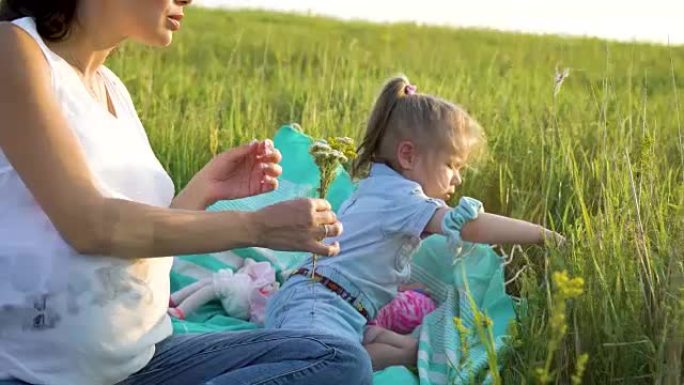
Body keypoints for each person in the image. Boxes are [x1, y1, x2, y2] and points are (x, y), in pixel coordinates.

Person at [0, 1, 372, 384]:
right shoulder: (15, 49)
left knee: (338, 360)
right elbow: (89, 226)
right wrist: (255, 227)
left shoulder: (112, 89)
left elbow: (134, 245)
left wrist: (203, 191)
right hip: (41, 377)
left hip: (145, 361)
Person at [265, 75, 565, 371]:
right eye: (451, 165)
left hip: (314, 300)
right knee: (331, 368)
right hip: (322, 307)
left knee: (377, 346)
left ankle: (409, 352)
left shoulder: (375, 184)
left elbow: (361, 253)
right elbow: (470, 226)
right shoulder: (406, 198)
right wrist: (542, 234)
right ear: (408, 155)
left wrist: (399, 285)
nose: (458, 178)